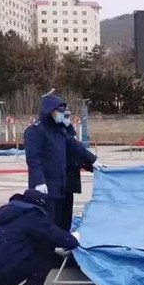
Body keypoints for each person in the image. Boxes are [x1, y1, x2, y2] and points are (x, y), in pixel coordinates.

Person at [0, 189, 80, 285]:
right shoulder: (32, 215)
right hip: (5, 269)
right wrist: (74, 238)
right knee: (47, 254)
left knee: (12, 250)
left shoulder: (8, 214)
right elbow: (57, 236)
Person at [24, 95, 101, 231]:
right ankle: (47, 244)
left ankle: (61, 241)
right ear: (49, 111)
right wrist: (39, 181)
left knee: (62, 221)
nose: (61, 115)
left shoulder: (59, 130)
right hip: (45, 186)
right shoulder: (34, 131)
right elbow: (33, 159)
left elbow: (75, 146)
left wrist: (93, 160)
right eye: (59, 112)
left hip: (61, 185)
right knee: (47, 222)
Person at [61, 110, 94, 233]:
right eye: (65, 116)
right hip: (60, 179)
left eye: (68, 116)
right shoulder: (57, 133)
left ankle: (65, 231)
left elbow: (77, 153)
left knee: (67, 210)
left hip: (70, 179)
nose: (67, 119)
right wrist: (90, 163)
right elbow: (73, 154)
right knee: (59, 211)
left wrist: (91, 165)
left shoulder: (69, 130)